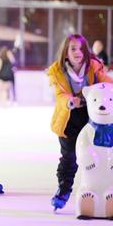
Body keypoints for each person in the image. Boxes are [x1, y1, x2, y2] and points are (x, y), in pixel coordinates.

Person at [47, 34, 113, 210]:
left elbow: (108, 84)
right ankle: (63, 191)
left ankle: (99, 189)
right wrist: (69, 100)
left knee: (98, 155)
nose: (77, 52)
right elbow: (59, 96)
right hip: (68, 119)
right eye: (73, 48)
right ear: (66, 53)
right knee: (69, 157)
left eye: (80, 49)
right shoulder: (58, 72)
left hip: (91, 119)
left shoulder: (93, 68)